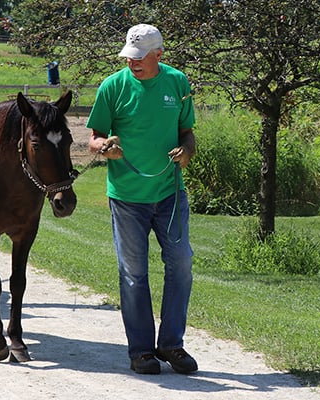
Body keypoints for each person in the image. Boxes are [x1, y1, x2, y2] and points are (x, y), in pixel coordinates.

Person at [87, 24, 198, 375]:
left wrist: (187, 151)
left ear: (159, 56)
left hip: (169, 193)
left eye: (139, 58)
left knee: (181, 263)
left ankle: (171, 344)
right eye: (128, 57)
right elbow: (93, 137)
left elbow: (187, 131)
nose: (132, 63)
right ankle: (141, 351)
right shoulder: (113, 87)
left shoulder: (177, 83)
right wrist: (105, 148)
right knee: (134, 274)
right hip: (127, 198)